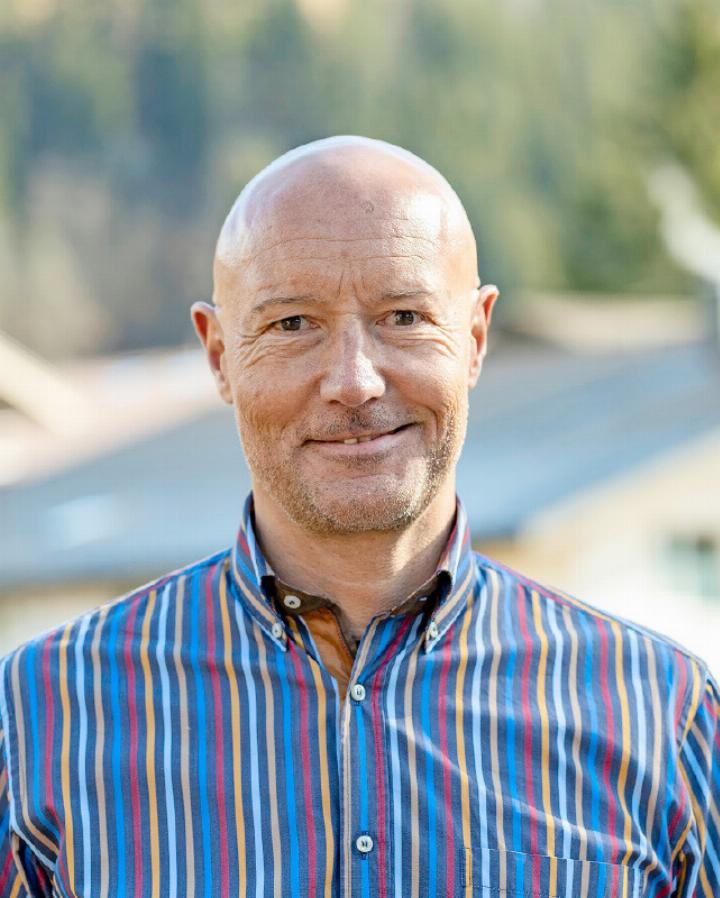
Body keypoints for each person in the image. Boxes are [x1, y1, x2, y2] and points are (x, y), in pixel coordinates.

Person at [0, 136, 718, 898]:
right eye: (292, 325)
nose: (353, 380)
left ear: (474, 339)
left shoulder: (659, 713)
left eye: (404, 316)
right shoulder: (45, 716)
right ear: (218, 357)